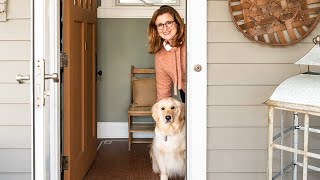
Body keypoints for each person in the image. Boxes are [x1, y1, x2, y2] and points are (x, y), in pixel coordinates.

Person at [148, 5, 186, 103]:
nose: (165, 28)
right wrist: (161, 115)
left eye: (169, 23)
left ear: (177, 23)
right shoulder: (160, 55)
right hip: (186, 91)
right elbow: (163, 90)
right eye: (160, 25)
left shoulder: (190, 38)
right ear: (156, 30)